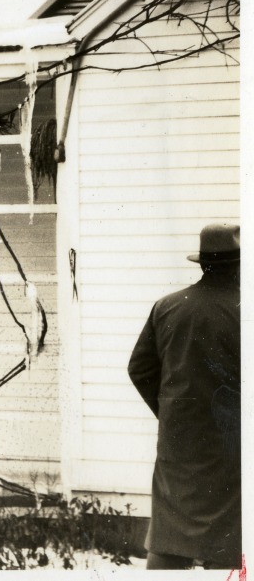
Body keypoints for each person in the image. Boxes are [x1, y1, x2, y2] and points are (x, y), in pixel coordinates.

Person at [127, 223, 241, 570]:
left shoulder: (168, 307)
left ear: (203, 263)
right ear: (239, 266)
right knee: (228, 544)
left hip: (180, 441)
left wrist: (172, 412)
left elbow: (140, 369)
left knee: (170, 537)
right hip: (231, 443)